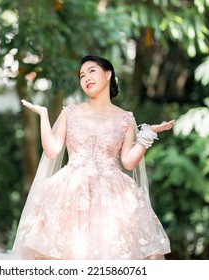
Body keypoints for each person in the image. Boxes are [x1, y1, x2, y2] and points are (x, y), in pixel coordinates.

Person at [11, 55, 174, 260]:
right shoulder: (69, 113)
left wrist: (148, 133)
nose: (86, 77)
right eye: (81, 75)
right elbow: (52, 150)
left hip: (113, 198)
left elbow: (128, 161)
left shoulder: (125, 118)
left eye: (91, 71)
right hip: (69, 193)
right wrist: (44, 116)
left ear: (108, 74)